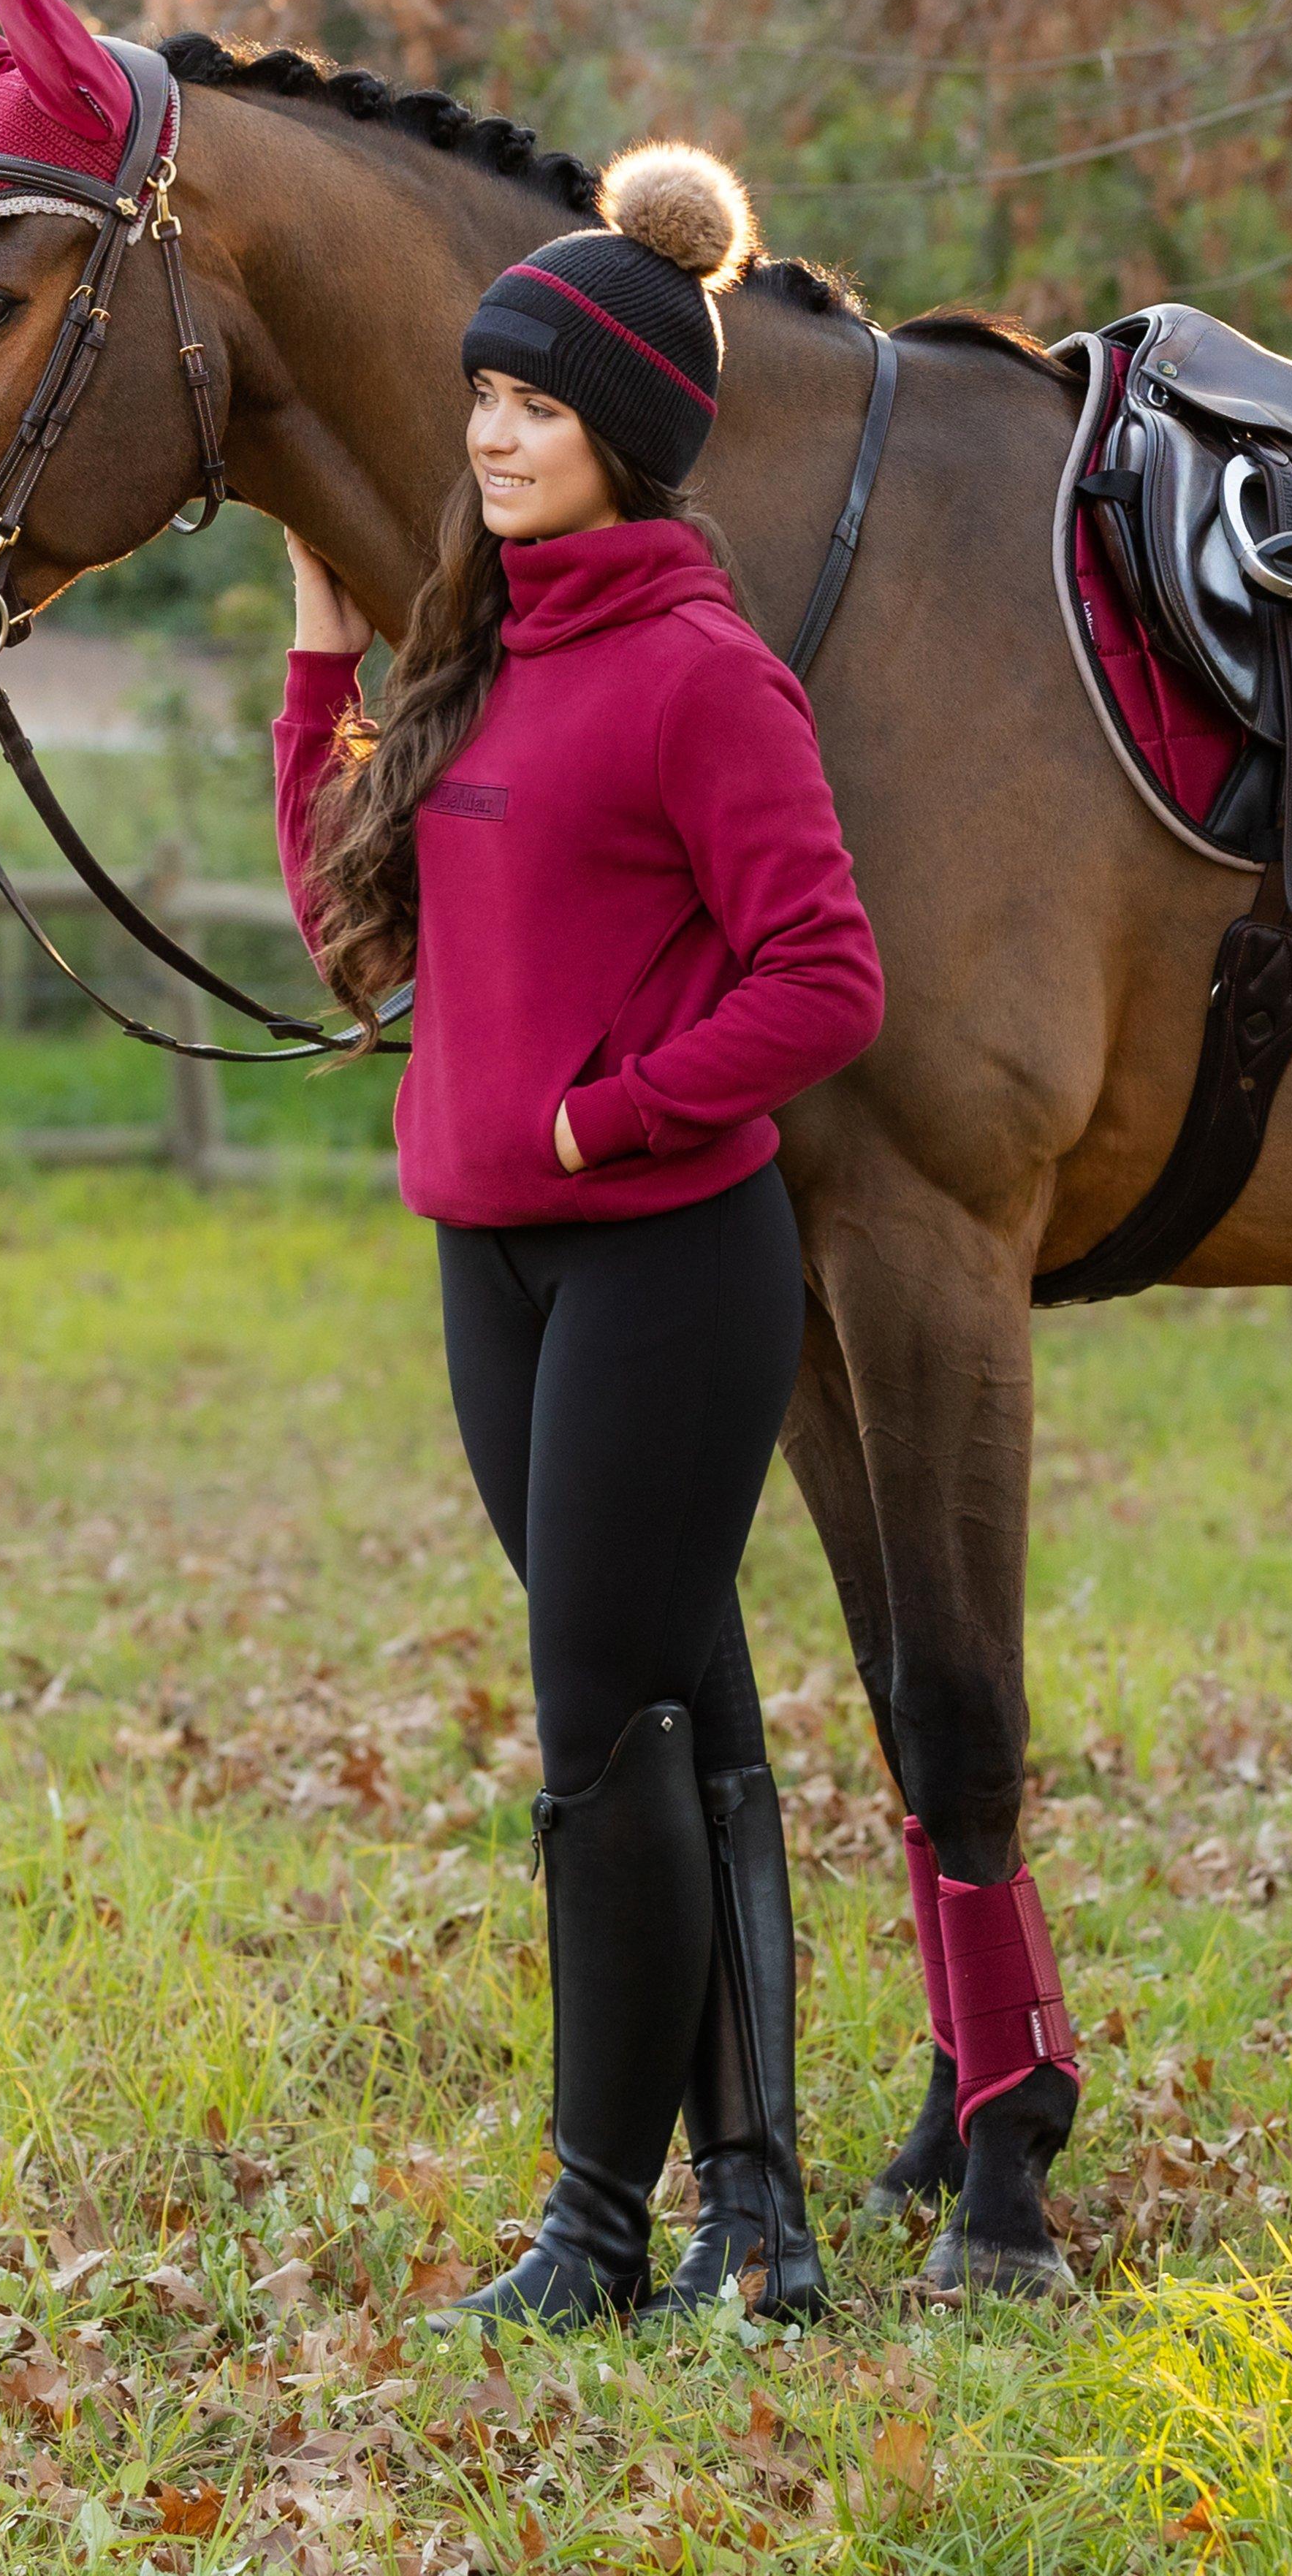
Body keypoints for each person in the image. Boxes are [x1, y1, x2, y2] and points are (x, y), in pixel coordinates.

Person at [271, 142, 884, 2327]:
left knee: (591, 1725)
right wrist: (316, 660)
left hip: (660, 1266)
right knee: (674, 1712)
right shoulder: (487, 651)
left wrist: (609, 1110)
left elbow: (826, 977)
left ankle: (596, 2228)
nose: (489, 435)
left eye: (531, 406)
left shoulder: (706, 674)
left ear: (627, 429)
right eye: (482, 402)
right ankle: (765, 2209)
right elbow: (369, 920)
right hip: (491, 1263)